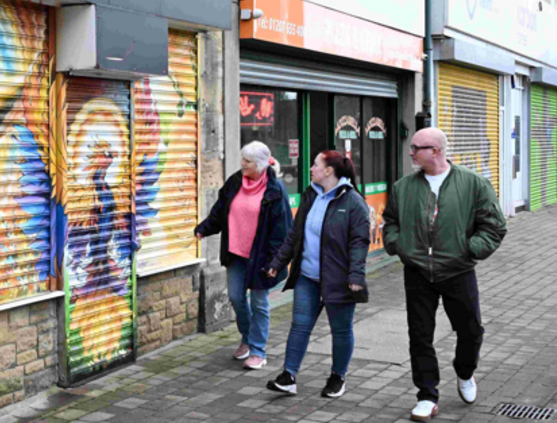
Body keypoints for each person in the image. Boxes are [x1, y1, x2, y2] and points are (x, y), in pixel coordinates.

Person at [383, 127, 507, 422]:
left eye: (416, 147)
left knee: (470, 331)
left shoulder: (474, 184)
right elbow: (390, 222)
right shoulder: (403, 187)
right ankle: (427, 395)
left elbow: (494, 226)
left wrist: (468, 249)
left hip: (458, 271)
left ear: (436, 151)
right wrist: (398, 245)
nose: (410, 152)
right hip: (417, 273)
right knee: (420, 336)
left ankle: (465, 372)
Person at [264, 151, 370, 398]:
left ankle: (337, 377)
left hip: (339, 280)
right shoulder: (311, 195)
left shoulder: (353, 202)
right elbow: (295, 234)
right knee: (299, 326)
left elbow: (359, 242)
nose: (311, 168)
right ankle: (288, 376)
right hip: (307, 277)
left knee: (341, 330)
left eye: (315, 164)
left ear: (329, 171)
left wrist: (356, 276)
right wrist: (278, 263)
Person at [194, 141, 293, 370]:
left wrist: (275, 263)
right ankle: (247, 338)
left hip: (262, 258)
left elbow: (282, 232)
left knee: (259, 303)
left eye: (247, 161)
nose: (243, 164)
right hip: (236, 253)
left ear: (260, 165)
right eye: (242, 160)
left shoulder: (275, 191)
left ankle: (258, 350)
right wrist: (204, 228)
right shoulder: (236, 182)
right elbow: (221, 210)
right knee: (237, 298)